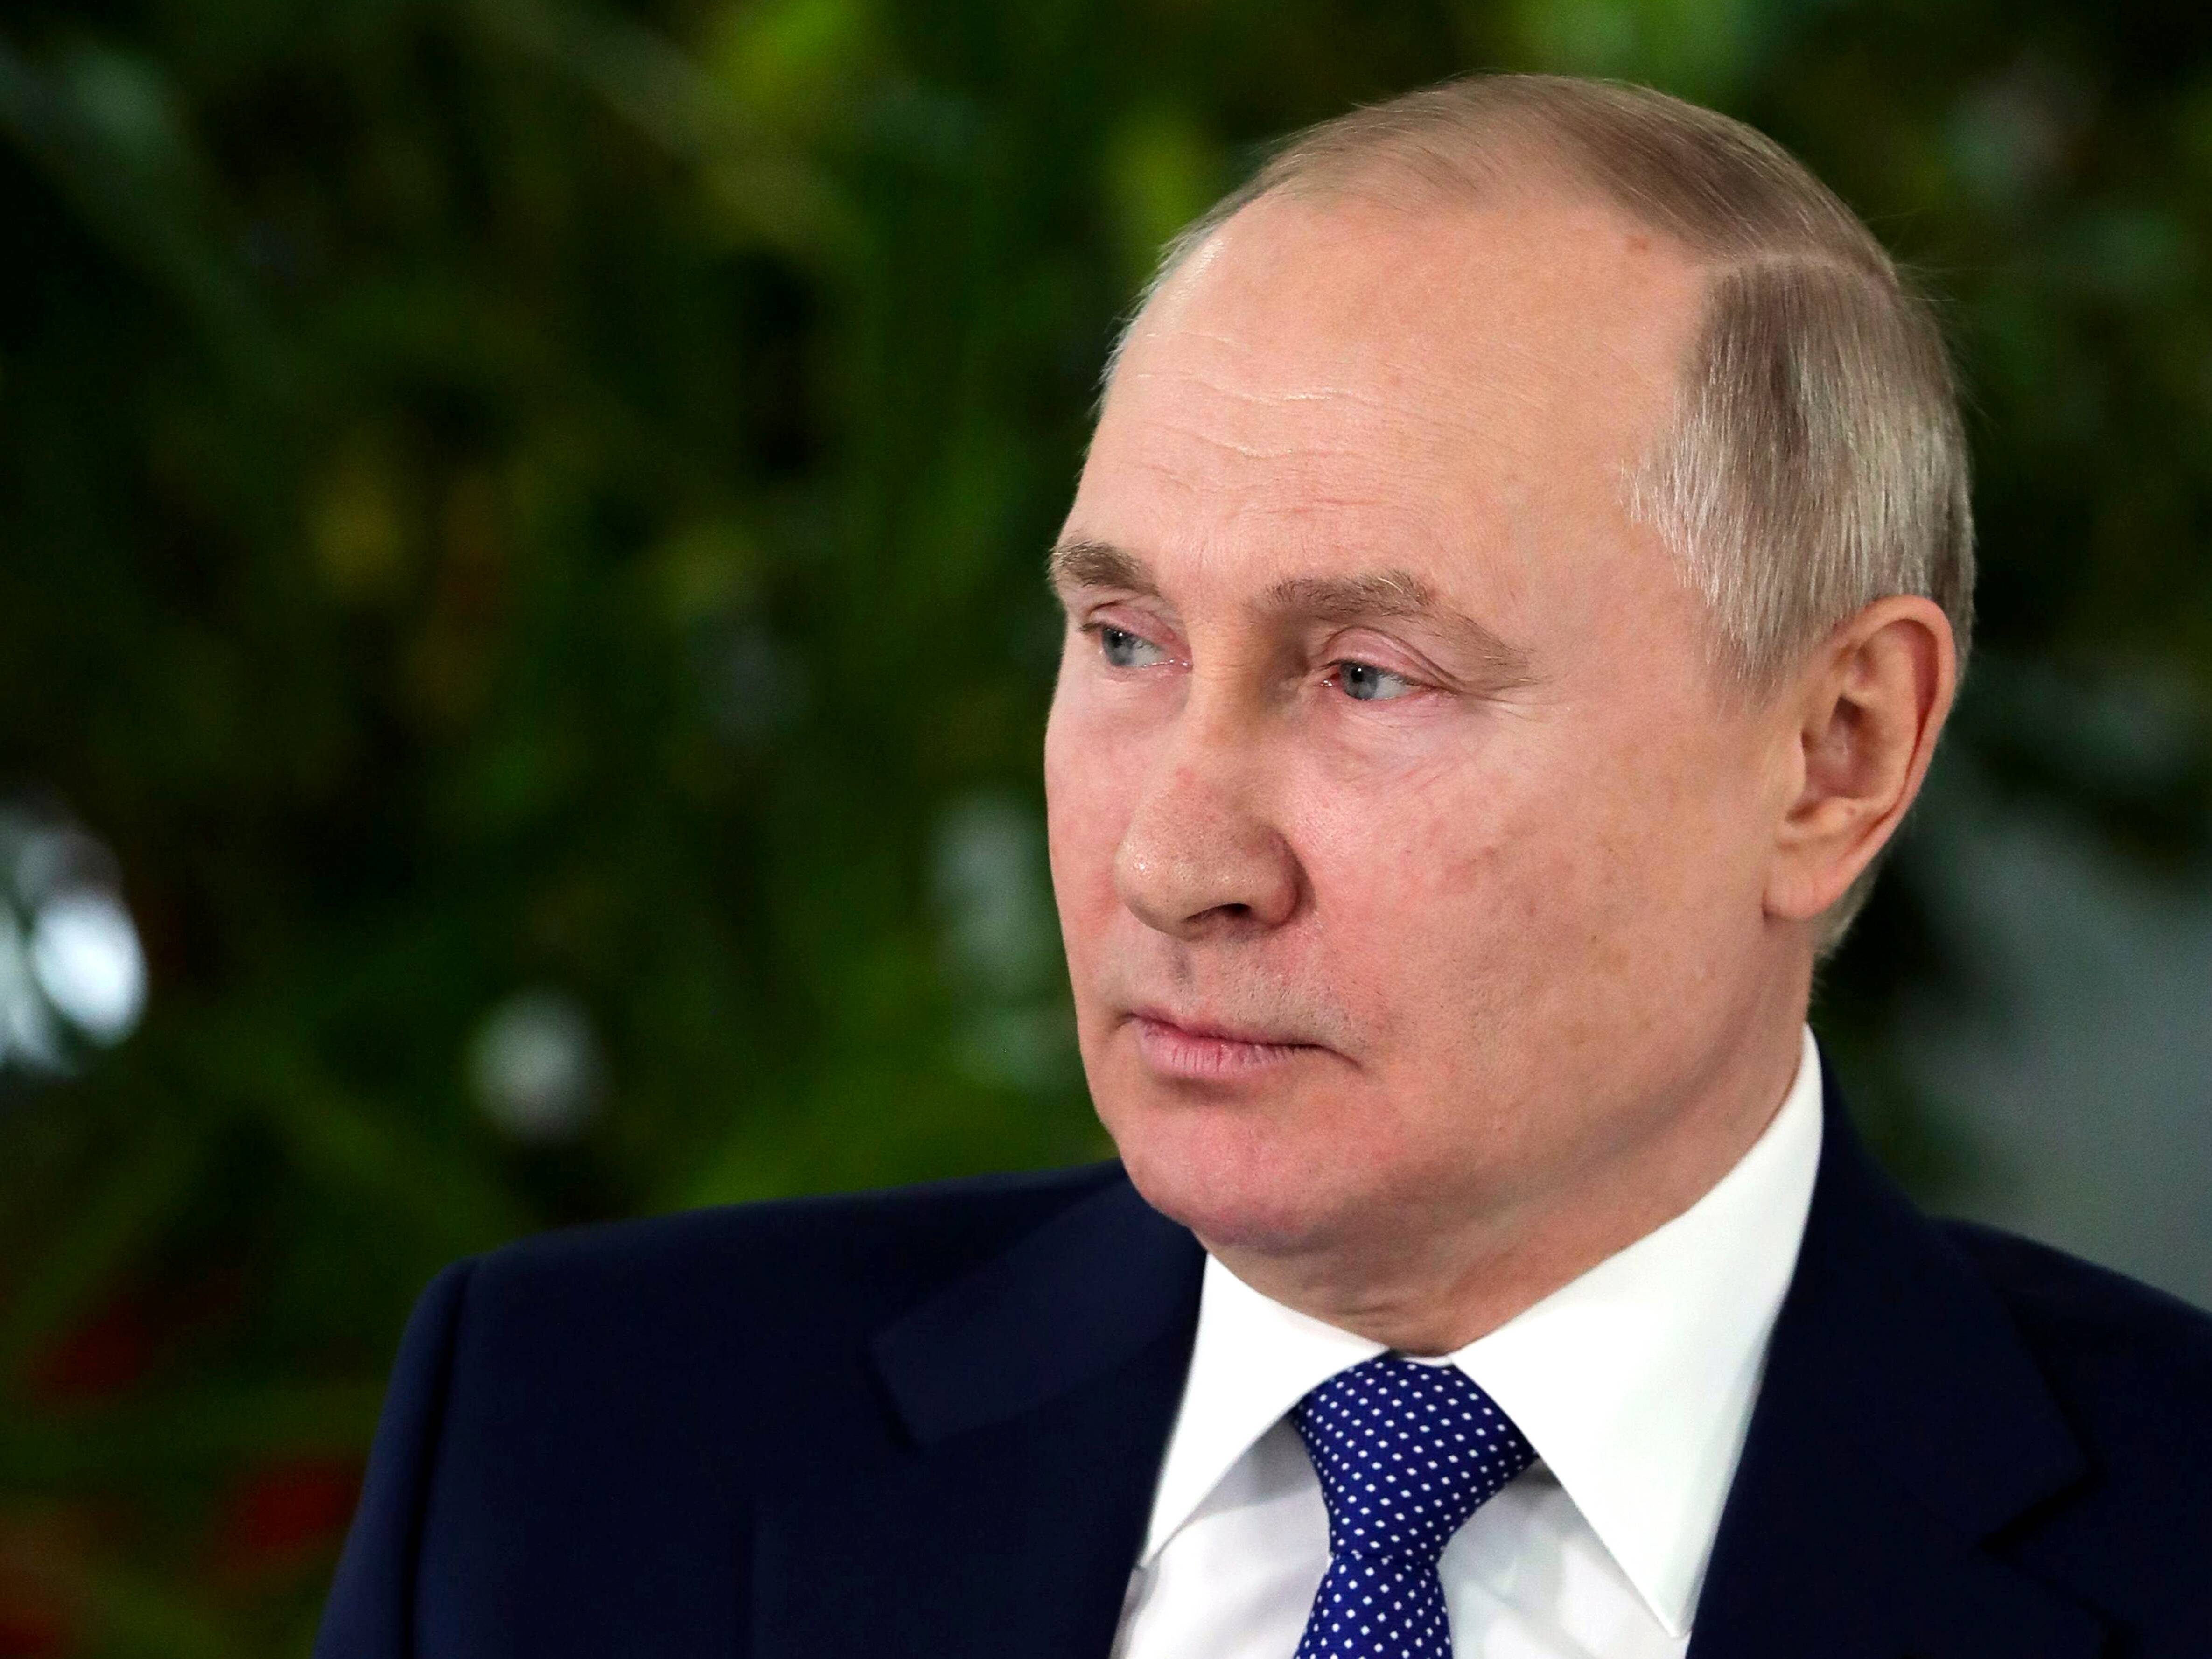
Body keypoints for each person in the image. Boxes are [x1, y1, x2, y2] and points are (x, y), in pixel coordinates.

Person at [314, 75, 2212, 1659]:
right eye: (1127, 641)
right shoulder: (568, 1450)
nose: (1173, 854)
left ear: (1835, 751)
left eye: (1370, 675)